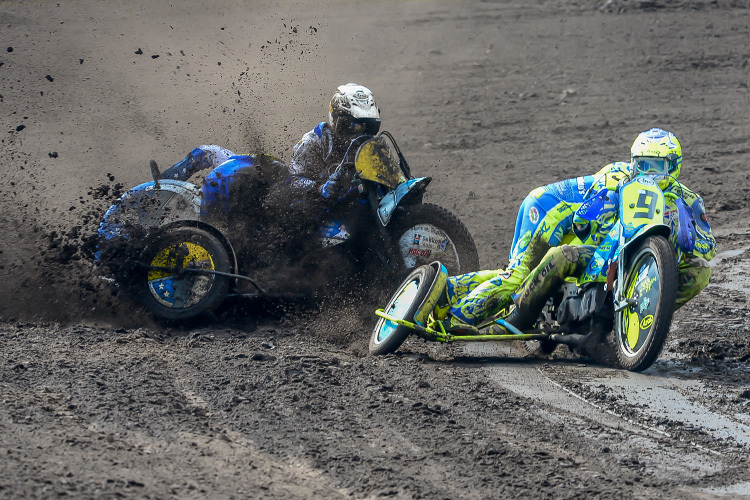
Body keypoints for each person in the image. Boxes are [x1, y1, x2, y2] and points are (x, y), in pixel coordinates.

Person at [430, 128, 716, 334]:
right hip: (551, 210)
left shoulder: (688, 200)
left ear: (674, 167)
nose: (647, 173)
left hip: (612, 245)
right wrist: (607, 209)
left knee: (699, 270)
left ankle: (637, 322)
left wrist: (682, 236)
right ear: (632, 162)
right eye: (642, 165)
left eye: (656, 167)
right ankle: (456, 314)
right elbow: (583, 219)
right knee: (519, 275)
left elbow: (708, 247)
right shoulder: (616, 175)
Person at [287, 83, 381, 200]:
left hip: (356, 205)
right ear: (337, 120)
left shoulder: (370, 146)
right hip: (321, 208)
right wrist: (319, 188)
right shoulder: (315, 141)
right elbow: (292, 180)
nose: (359, 132)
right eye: (352, 125)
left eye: (366, 127)